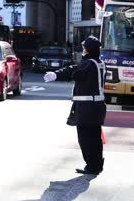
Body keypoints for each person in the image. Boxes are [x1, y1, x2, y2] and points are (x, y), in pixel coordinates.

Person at [44, 36, 106, 175]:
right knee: (95, 138)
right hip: (97, 106)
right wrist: (57, 74)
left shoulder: (88, 64)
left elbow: (75, 73)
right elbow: (76, 68)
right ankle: (97, 165)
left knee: (85, 138)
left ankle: (91, 166)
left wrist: (56, 75)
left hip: (87, 107)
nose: (83, 50)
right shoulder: (99, 63)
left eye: (84, 48)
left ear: (89, 49)